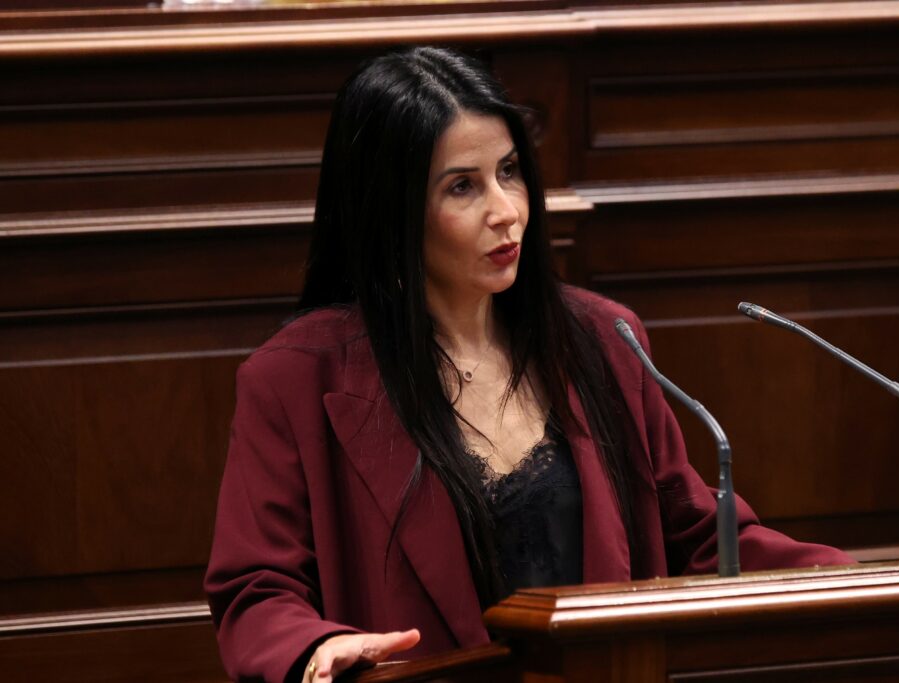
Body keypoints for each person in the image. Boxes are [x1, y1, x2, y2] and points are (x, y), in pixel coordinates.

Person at [204, 46, 854, 683]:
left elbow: (699, 537)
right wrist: (319, 648)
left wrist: (851, 579)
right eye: (463, 186)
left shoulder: (601, 338)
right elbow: (256, 587)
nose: (507, 209)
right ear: (389, 207)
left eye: (510, 171)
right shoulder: (295, 377)